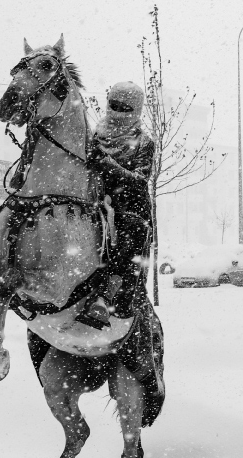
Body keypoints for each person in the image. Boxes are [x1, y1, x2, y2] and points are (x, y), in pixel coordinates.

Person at [76, 81, 156, 329]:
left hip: (128, 208)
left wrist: (105, 163)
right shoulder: (92, 137)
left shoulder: (144, 143)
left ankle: (110, 293)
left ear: (136, 109)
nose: (119, 111)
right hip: (91, 200)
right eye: (115, 104)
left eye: (125, 107)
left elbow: (139, 182)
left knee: (131, 231)